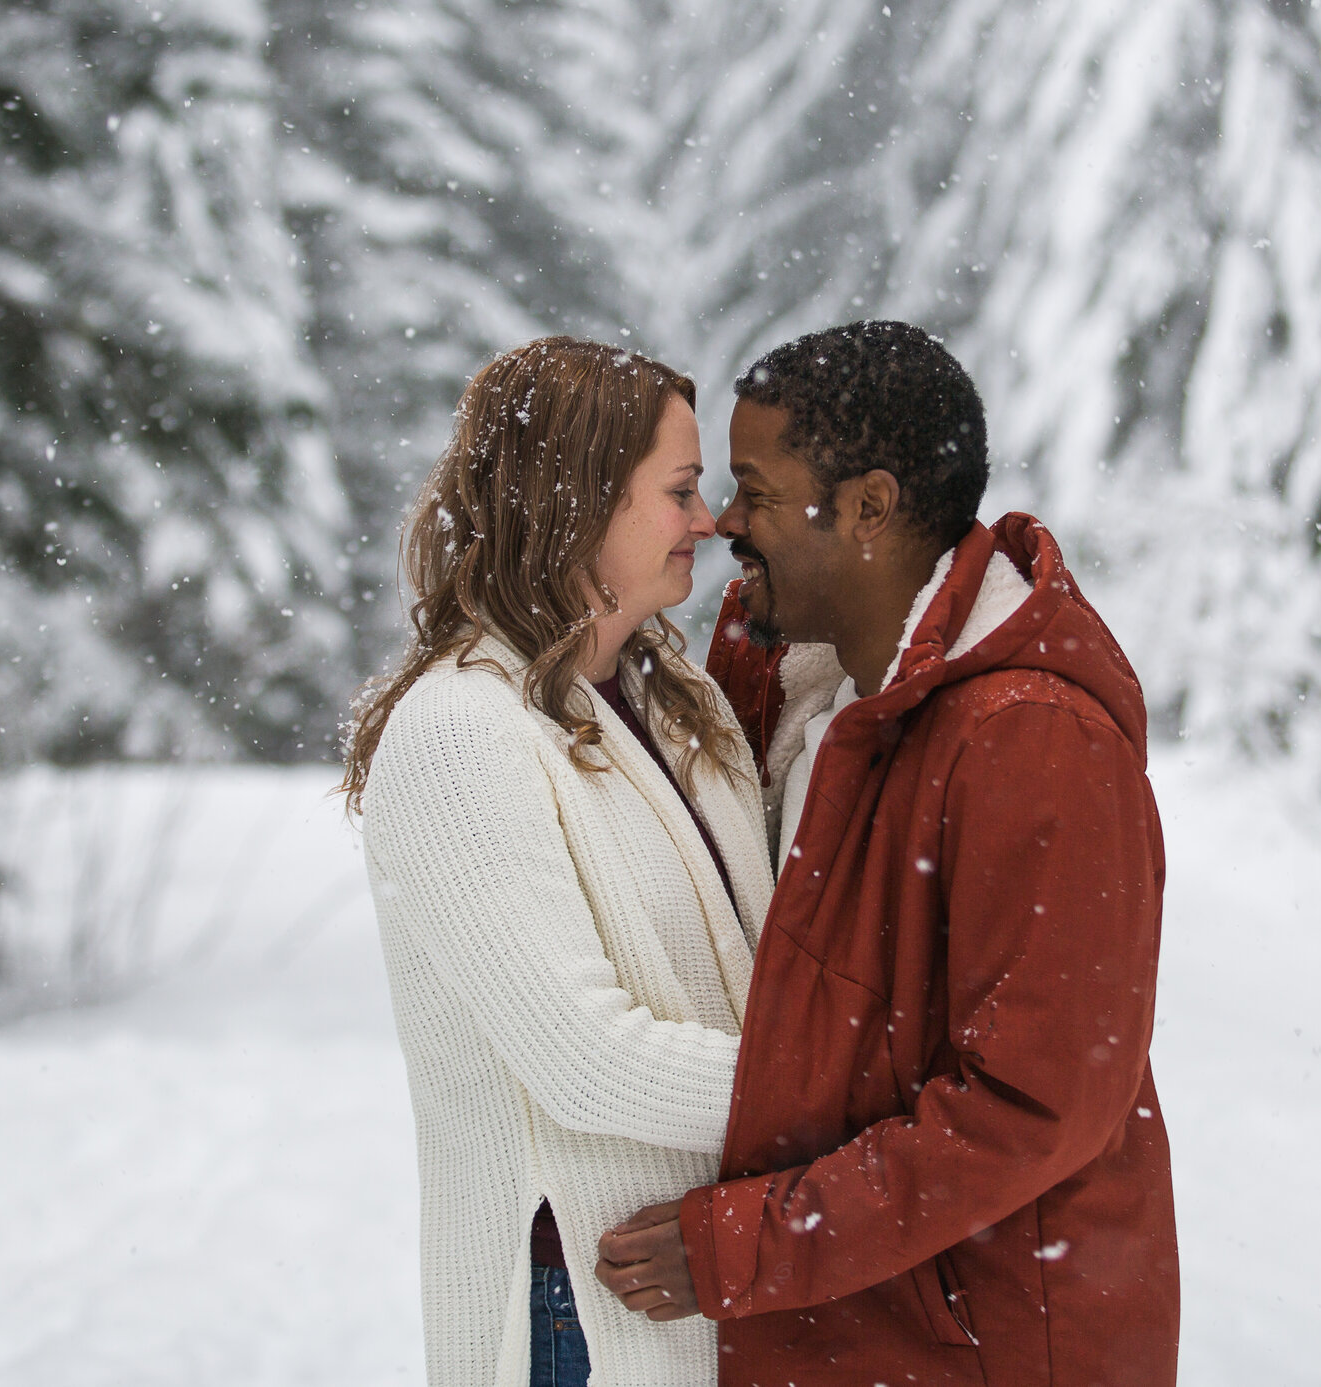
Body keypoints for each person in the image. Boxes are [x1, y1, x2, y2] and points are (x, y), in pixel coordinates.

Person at [591, 321, 1180, 1387]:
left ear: (867, 507)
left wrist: (745, 1243)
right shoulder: (795, 694)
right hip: (850, 1334)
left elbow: (1029, 1106)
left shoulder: (1032, 742)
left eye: (755, 493)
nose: (725, 522)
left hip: (979, 1348)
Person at [342, 337, 774, 1387]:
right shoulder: (459, 731)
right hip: (580, 1306)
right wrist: (865, 1093)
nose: (707, 520)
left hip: (717, 1268)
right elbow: (588, 1059)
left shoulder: (675, 700)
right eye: (679, 490)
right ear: (578, 502)